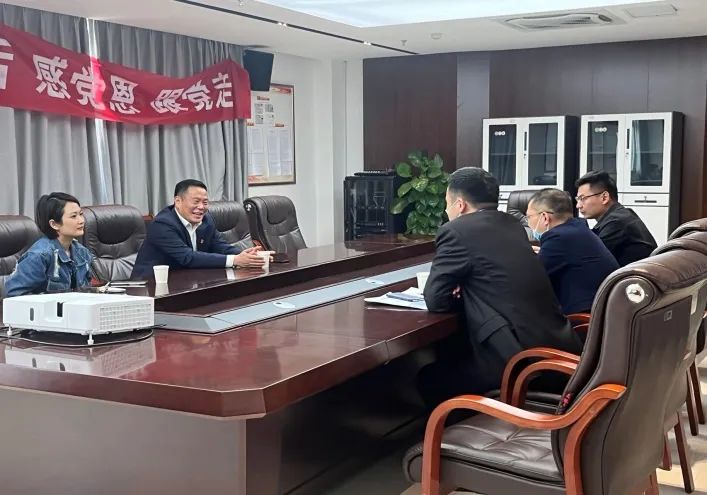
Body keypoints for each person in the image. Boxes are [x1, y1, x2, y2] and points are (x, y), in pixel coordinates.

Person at [420, 167, 583, 405]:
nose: (447, 211)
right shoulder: (512, 224)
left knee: (429, 378)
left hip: (519, 363)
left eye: (447, 204)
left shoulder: (456, 231)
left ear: (460, 205)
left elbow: (436, 299)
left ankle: (467, 427)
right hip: (557, 347)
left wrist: (460, 292)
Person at [132, 179, 265, 279]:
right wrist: (235, 260)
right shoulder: (162, 224)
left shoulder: (206, 220)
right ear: (178, 202)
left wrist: (250, 256)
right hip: (150, 285)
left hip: (187, 281)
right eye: (196, 201)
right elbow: (187, 257)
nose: (201, 207)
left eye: (205, 202)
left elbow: (220, 246)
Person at [527, 188, 619, 314]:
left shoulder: (558, 238)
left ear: (544, 217)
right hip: (603, 310)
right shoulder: (576, 229)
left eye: (529, 217)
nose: (527, 222)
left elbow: (530, 279)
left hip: (581, 318)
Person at [5, 193, 94, 297]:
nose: (81, 220)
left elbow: (86, 289)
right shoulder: (39, 256)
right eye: (74, 216)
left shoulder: (82, 252)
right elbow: (14, 294)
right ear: (54, 224)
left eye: (81, 214)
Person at [575, 171, 657, 266]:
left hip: (634, 275)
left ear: (604, 197)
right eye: (577, 199)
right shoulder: (619, 216)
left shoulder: (617, 222)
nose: (578, 205)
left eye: (583, 198)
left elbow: (588, 258)